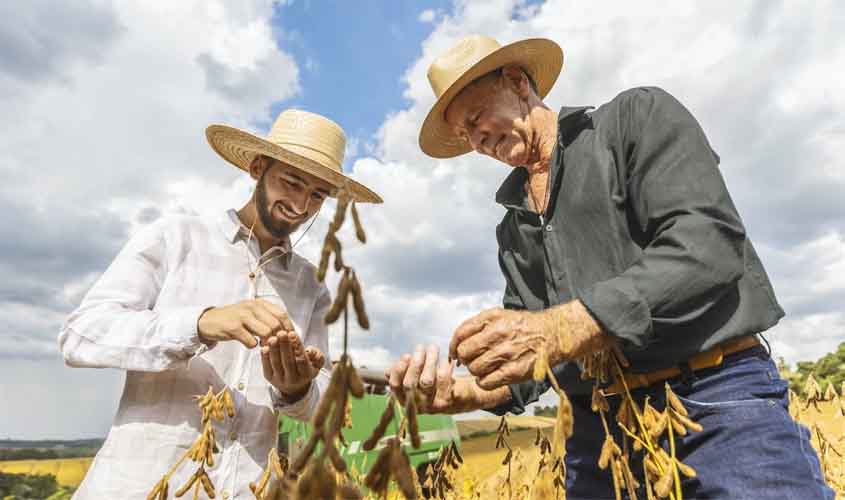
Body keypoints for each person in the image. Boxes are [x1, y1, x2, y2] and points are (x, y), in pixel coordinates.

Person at [387, 35, 834, 499]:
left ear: (518, 82)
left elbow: (706, 244)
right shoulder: (512, 228)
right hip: (598, 435)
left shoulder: (635, 119)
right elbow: (538, 361)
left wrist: (562, 327)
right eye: (465, 136)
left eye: (476, 120)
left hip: (715, 401)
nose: (477, 142)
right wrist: (468, 395)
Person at [58, 109, 382, 499]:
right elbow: (80, 335)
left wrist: (297, 389)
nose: (300, 205)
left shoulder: (310, 287)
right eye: (291, 182)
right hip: (136, 486)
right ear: (257, 168)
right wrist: (200, 323)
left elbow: (318, 408)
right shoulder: (176, 238)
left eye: (317, 195)